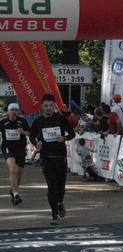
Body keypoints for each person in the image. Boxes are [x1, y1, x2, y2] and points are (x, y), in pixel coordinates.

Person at [30, 93, 76, 225]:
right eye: (46, 106)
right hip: (46, 157)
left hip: (60, 156)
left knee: (61, 186)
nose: (48, 108)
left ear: (54, 106)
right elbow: (32, 136)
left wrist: (64, 138)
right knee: (51, 186)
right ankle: (54, 214)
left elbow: (72, 133)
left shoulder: (61, 119)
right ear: (42, 107)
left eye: (51, 105)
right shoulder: (38, 122)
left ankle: (60, 202)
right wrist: (36, 143)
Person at [0, 103, 30, 205]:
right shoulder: (3, 122)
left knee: (18, 174)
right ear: (8, 111)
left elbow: (30, 133)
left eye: (16, 110)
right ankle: (16, 194)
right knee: (12, 168)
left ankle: (13, 189)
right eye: (12, 110)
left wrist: (23, 132)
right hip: (8, 148)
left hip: (20, 149)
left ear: (18, 112)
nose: (14, 112)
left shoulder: (22, 121)